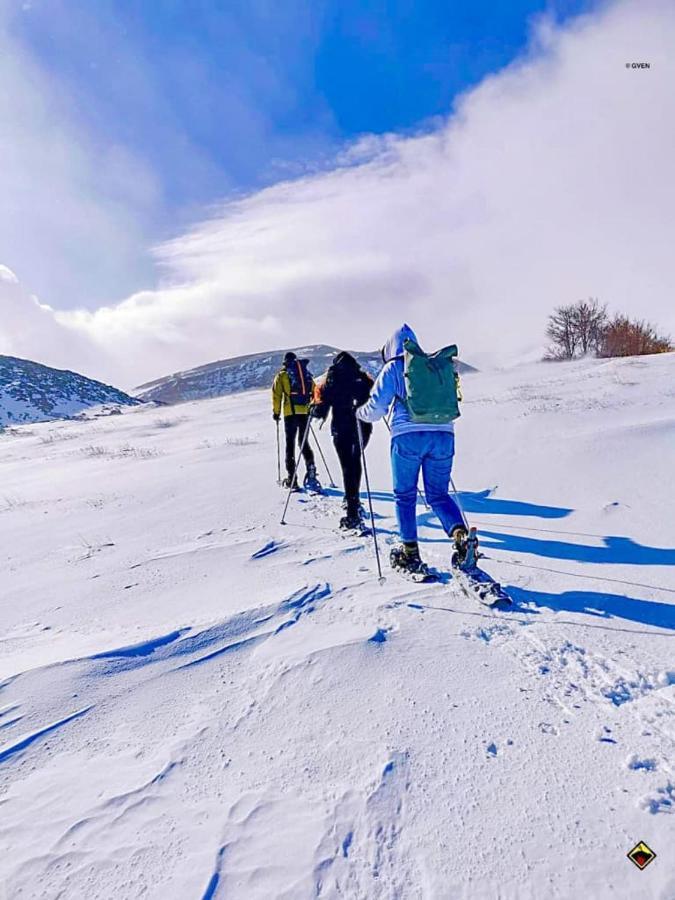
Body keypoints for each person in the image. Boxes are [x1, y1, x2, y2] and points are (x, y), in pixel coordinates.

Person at [356, 323, 466, 576]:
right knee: (438, 494)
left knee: (405, 495)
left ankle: (410, 553)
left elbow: (376, 408)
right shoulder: (433, 365)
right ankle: (459, 533)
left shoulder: (394, 367)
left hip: (408, 437)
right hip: (444, 435)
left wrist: (359, 412)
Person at [312, 352, 374, 530]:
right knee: (355, 462)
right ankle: (353, 499)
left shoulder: (331, 381)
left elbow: (321, 409)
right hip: (363, 428)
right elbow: (374, 400)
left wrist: (314, 410)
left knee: (347, 465)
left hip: (341, 428)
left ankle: (352, 511)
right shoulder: (363, 379)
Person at [272, 351, 320, 490]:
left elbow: (277, 396)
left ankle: (292, 478)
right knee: (303, 443)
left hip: (289, 414)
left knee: (290, 444)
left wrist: (276, 413)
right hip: (304, 413)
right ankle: (311, 469)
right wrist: (311, 408)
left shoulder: (282, 375)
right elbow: (315, 392)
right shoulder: (306, 374)